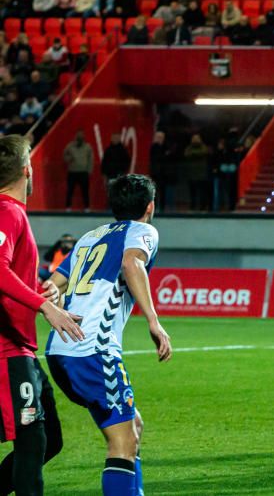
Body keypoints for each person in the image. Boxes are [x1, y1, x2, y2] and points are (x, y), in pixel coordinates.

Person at [46, 173, 172, 496]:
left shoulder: (90, 236)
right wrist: (154, 322)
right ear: (150, 206)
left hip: (60, 349)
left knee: (133, 427)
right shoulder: (144, 230)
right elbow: (132, 264)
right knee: (122, 441)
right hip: (93, 349)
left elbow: (51, 287)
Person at [0, 135, 85, 495]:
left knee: (48, 439)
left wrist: (38, 288)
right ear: (26, 170)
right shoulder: (6, 211)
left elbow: (11, 271)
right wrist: (44, 305)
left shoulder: (11, 212)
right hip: (8, 350)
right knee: (33, 442)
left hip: (20, 349)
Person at [64, 130, 93, 210]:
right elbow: (65, 156)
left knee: (85, 191)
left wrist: (89, 171)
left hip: (83, 172)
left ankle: (87, 207)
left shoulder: (87, 147)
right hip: (72, 171)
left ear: (84, 136)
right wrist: (69, 158)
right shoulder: (70, 146)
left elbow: (90, 159)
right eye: (78, 135)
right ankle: (68, 207)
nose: (80, 136)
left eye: (81, 135)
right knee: (70, 190)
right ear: (76, 136)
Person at [183, 134, 211, 211]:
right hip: (191, 173)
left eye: (197, 138)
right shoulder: (189, 148)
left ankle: (203, 207)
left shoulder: (203, 147)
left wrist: (193, 154)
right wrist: (196, 154)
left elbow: (203, 152)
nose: (195, 140)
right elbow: (186, 154)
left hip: (201, 173)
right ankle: (193, 207)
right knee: (192, 192)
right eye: (194, 138)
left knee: (202, 193)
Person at [149, 131, 174, 211]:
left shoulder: (166, 146)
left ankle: (162, 207)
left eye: (161, 137)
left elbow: (169, 158)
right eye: (158, 137)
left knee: (163, 190)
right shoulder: (154, 147)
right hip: (155, 172)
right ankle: (155, 207)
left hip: (164, 172)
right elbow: (155, 158)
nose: (160, 139)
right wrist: (164, 155)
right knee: (155, 191)